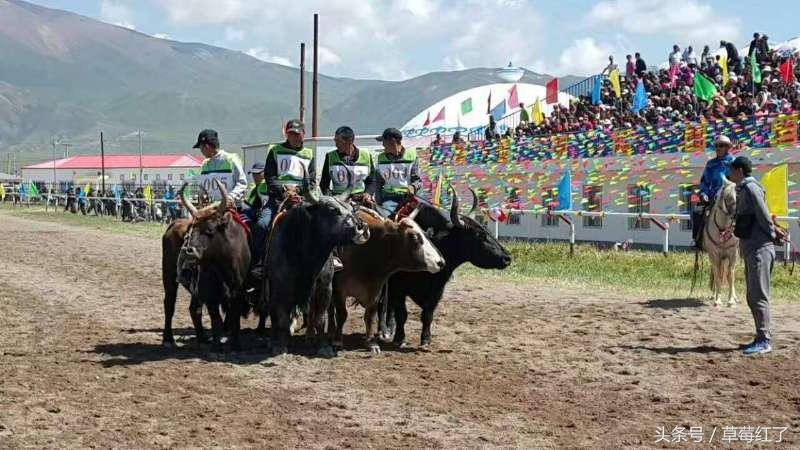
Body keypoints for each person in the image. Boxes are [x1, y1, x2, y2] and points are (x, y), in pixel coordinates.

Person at [729, 156, 775, 355]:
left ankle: (764, 340)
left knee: (758, 295)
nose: (730, 173)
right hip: (751, 248)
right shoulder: (743, 189)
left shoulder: (750, 188)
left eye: (732, 170)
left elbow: (762, 213)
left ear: (739, 170)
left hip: (759, 248)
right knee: (752, 295)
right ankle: (759, 336)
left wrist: (772, 233)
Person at [262, 119, 315, 256]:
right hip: (279, 198)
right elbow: (270, 177)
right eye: (291, 134)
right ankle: (260, 261)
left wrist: (296, 191)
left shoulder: (309, 154)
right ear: (286, 135)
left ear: (303, 134)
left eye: (297, 134)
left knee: (323, 222)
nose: (294, 137)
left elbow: (312, 181)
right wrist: (284, 192)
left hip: (302, 198)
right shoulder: (275, 150)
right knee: (262, 224)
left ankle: (331, 259)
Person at [692, 135, 735, 249]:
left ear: (727, 147)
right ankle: (697, 239)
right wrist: (703, 193)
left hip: (730, 195)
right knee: (696, 211)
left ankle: (745, 240)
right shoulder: (710, 164)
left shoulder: (734, 162)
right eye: (716, 146)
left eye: (720, 145)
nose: (717, 148)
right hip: (712, 196)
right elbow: (705, 181)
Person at [319, 126, 376, 203]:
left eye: (338, 141)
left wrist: (368, 193)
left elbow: (372, 180)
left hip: (360, 200)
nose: (336, 144)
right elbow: (324, 183)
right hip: (338, 200)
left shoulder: (366, 155)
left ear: (349, 141)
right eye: (335, 140)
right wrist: (330, 197)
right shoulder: (330, 156)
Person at [374, 127, 421, 218]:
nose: (383, 145)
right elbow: (378, 183)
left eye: (384, 141)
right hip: (389, 200)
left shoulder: (412, 156)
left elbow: (417, 181)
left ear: (392, 141)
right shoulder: (381, 158)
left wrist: (413, 187)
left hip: (409, 199)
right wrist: (378, 203)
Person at [194, 129, 247, 207]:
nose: (201, 151)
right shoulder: (204, 164)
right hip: (211, 208)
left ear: (207, 146)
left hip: (231, 208)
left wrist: (230, 197)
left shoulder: (231, 159)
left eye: (201, 148)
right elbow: (202, 187)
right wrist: (201, 197)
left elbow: (242, 183)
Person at [240, 162, 270, 267]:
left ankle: (258, 260)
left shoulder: (269, 184)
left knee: (260, 226)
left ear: (265, 173)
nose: (254, 176)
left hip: (272, 214)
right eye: (253, 174)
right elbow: (249, 205)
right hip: (263, 213)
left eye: (258, 174)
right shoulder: (257, 188)